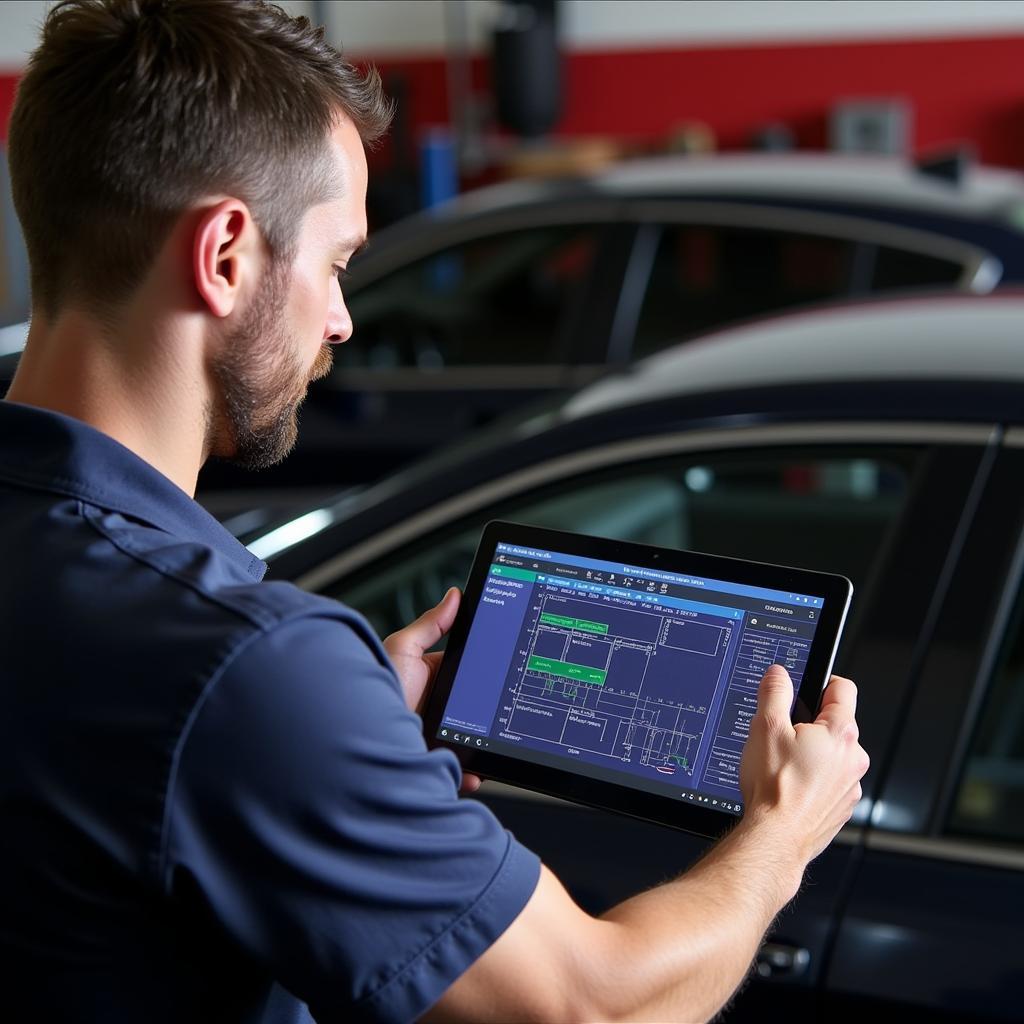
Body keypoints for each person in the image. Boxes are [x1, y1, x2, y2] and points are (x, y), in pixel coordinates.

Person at [0, 2, 870, 1022]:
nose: (342, 319)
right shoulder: (241, 668)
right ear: (226, 254)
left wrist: (334, 717)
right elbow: (590, 1006)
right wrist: (783, 829)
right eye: (336, 264)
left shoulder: (198, 648)